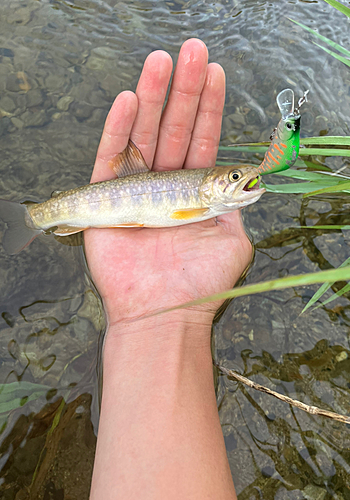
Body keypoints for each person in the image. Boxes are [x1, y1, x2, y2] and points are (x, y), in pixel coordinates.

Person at [85, 38, 252, 499]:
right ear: (217, 183)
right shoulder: (201, 196)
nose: (241, 183)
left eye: (237, 180)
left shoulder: (204, 198)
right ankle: (38, 216)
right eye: (235, 180)